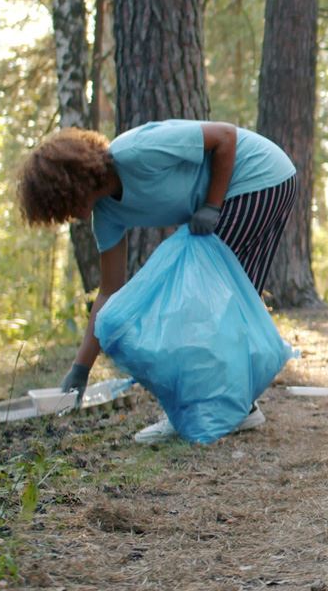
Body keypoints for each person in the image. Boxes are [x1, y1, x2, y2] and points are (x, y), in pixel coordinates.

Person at [17, 120, 297, 443]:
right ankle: (237, 406)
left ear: (76, 181)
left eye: (65, 205)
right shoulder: (106, 215)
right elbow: (109, 292)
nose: (73, 217)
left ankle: (208, 409)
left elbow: (225, 137)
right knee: (232, 301)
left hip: (257, 177)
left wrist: (211, 205)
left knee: (196, 302)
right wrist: (80, 370)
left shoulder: (136, 152)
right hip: (261, 186)